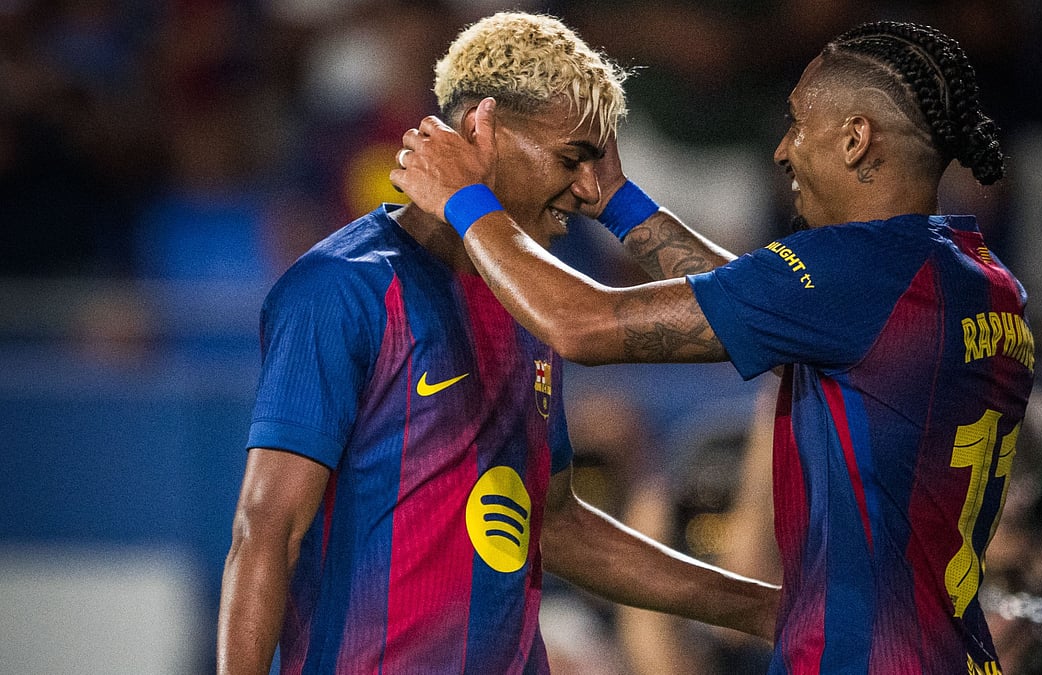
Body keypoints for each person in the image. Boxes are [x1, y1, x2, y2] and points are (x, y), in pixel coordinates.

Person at [392, 20, 1036, 674]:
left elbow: (580, 324)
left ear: (855, 138)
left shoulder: (857, 274)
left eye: (796, 124)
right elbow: (758, 302)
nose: (782, 151)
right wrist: (618, 202)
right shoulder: (980, 282)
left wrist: (466, 201)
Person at [216, 12, 779, 674]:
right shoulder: (340, 288)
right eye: (571, 159)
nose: (588, 191)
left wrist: (767, 609)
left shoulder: (535, 298)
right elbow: (266, 531)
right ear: (481, 128)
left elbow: (556, 523)